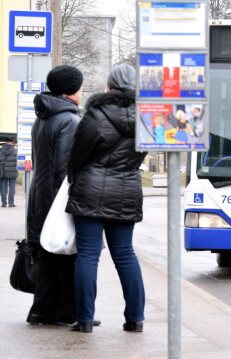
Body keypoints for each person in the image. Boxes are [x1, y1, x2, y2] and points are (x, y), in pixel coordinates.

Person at [66, 64, 147, 333]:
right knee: (125, 254)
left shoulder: (95, 115)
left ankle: (85, 320)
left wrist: (75, 177)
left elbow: (77, 156)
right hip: (127, 190)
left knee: (88, 256)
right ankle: (135, 319)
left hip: (90, 190)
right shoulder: (149, 118)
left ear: (110, 85)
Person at [26, 65, 84, 326]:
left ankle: (41, 311)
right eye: (81, 87)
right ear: (72, 91)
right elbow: (64, 168)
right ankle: (66, 313)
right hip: (57, 197)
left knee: (47, 254)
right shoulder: (70, 120)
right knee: (66, 254)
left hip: (39, 194)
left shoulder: (43, 117)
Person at [0, 141, 18, 207]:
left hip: (3, 173)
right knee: (12, 187)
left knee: (3, 188)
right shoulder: (15, 151)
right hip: (13, 172)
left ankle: (4, 203)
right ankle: (11, 203)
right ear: (11, 144)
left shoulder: (1, 151)